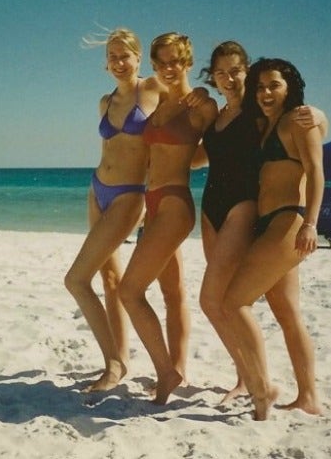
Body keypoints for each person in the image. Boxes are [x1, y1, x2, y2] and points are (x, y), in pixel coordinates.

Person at [64, 28, 206, 393]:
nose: (118, 63)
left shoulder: (155, 89)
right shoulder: (104, 102)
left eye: (124, 56)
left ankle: (169, 366)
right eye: (112, 57)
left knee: (163, 286)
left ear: (138, 59)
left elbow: (188, 122)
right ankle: (118, 363)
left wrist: (200, 100)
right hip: (98, 191)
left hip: (133, 194)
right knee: (108, 280)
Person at [197, 43, 327, 405]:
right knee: (286, 312)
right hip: (255, 220)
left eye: (274, 86)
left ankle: (259, 384)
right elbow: (212, 154)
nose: (266, 93)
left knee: (230, 301)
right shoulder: (257, 120)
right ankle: (307, 396)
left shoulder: (284, 118)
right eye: (262, 86)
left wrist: (312, 223)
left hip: (281, 219)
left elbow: (317, 166)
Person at [118, 32, 218, 405]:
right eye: (160, 62)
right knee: (171, 293)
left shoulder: (201, 106)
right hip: (153, 203)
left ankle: (166, 371)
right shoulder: (159, 103)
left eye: (175, 61)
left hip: (176, 203)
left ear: (188, 62)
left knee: (129, 291)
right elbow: (166, 150)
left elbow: (219, 145)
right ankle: (178, 367)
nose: (168, 68)